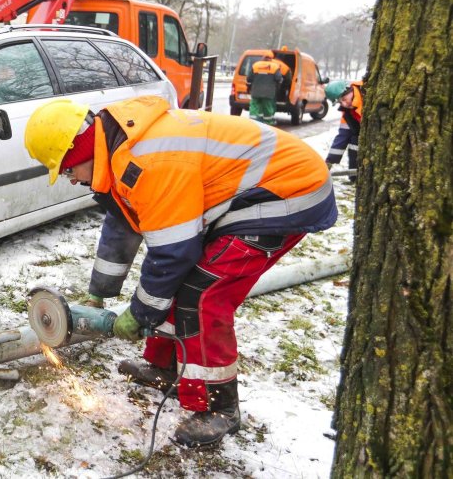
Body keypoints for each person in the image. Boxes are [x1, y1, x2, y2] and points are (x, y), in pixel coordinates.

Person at [24, 95, 337, 448]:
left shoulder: (149, 161)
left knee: (202, 293)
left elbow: (173, 253)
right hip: (251, 192)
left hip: (287, 193)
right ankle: (166, 368)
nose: (69, 180)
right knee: (174, 283)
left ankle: (220, 407)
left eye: (67, 170)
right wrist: (99, 292)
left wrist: (139, 314)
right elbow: (124, 223)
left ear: (81, 153)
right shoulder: (119, 151)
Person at [324, 80, 364, 175]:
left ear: (350, 90)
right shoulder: (348, 113)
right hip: (362, 138)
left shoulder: (367, 94)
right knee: (354, 140)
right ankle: (354, 176)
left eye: (344, 99)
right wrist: (329, 162)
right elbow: (342, 136)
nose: (344, 104)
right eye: (340, 103)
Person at [247, 51, 290, 125]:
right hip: (268, 92)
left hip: (256, 91)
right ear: (271, 58)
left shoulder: (256, 65)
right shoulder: (274, 66)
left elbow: (249, 79)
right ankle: (268, 122)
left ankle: (253, 121)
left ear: (263, 57)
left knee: (254, 106)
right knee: (267, 107)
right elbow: (279, 79)